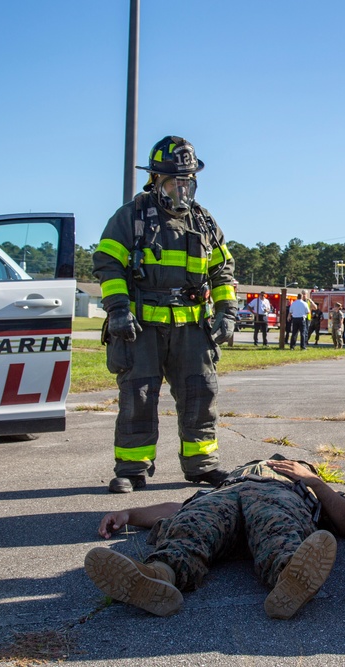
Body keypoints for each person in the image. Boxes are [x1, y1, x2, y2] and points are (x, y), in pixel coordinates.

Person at [94, 136, 238, 494]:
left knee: (200, 394)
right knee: (138, 396)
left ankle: (202, 465)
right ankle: (131, 469)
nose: (182, 188)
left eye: (188, 180)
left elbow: (223, 271)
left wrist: (227, 312)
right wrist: (118, 309)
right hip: (140, 327)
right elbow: (107, 263)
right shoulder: (131, 217)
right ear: (156, 180)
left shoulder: (204, 222)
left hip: (191, 327)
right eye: (174, 181)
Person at [84, 455, 345, 619]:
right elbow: (180, 509)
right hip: (223, 499)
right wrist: (129, 514)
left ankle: (289, 577)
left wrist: (312, 479)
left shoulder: (305, 486)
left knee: (276, 523)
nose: (272, 461)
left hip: (275, 496)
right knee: (194, 523)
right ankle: (159, 576)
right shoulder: (228, 482)